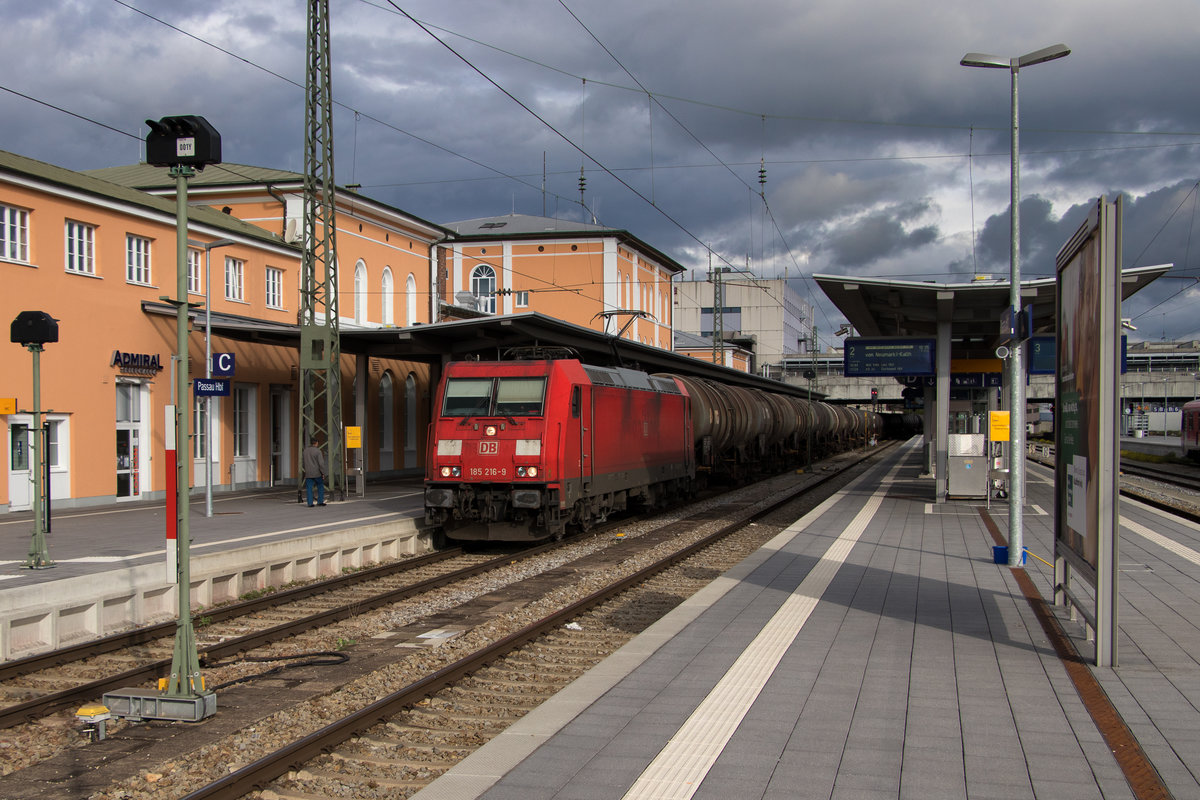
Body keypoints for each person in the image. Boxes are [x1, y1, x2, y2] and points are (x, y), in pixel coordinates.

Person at [302, 438, 327, 507]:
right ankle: (320, 501)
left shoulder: (305, 451)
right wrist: (323, 473)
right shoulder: (318, 451)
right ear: (316, 443)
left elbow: (303, 462)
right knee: (320, 486)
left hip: (308, 473)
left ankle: (310, 503)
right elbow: (321, 464)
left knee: (309, 488)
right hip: (317, 473)